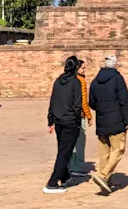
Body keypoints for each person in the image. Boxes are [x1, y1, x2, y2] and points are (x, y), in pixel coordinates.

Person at [89, 54, 128, 194]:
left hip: (102, 121)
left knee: (104, 153)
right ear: (115, 65)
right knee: (118, 149)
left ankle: (105, 179)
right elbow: (124, 100)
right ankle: (103, 175)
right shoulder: (117, 79)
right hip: (116, 120)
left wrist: (102, 109)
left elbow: (92, 103)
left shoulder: (95, 81)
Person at [44, 56, 82, 195]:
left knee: (63, 149)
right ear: (76, 67)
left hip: (59, 121)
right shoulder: (75, 82)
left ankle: (65, 176)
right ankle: (52, 183)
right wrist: (78, 121)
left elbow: (52, 101)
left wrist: (50, 120)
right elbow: (77, 104)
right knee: (64, 152)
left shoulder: (58, 81)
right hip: (70, 121)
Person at [68, 58, 93, 176]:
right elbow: (83, 101)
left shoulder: (69, 79)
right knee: (80, 141)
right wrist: (89, 115)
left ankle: (70, 164)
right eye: (82, 68)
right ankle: (77, 166)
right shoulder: (81, 81)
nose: (84, 70)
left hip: (69, 114)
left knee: (71, 141)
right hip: (79, 115)